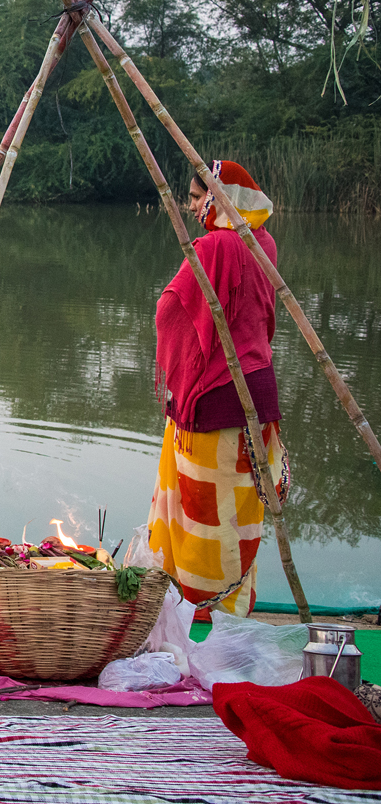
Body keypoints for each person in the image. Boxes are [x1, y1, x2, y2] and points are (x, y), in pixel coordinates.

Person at [147, 161, 286, 619]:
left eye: (194, 197)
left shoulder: (215, 247)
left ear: (216, 197)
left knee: (203, 512)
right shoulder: (261, 240)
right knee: (241, 510)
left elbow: (170, 313)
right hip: (258, 398)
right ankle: (231, 606)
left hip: (216, 400)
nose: (190, 207)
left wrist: (177, 367)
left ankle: (199, 610)